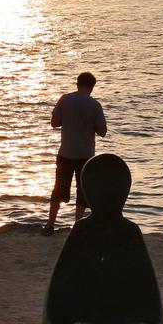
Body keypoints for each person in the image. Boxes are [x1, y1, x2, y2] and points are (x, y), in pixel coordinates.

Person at [44, 72, 107, 235]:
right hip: (86, 156)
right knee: (82, 191)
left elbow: (54, 123)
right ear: (92, 87)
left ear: (77, 83)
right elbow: (102, 132)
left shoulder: (65, 99)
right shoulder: (94, 105)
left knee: (58, 189)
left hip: (66, 152)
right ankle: (77, 226)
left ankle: (50, 224)